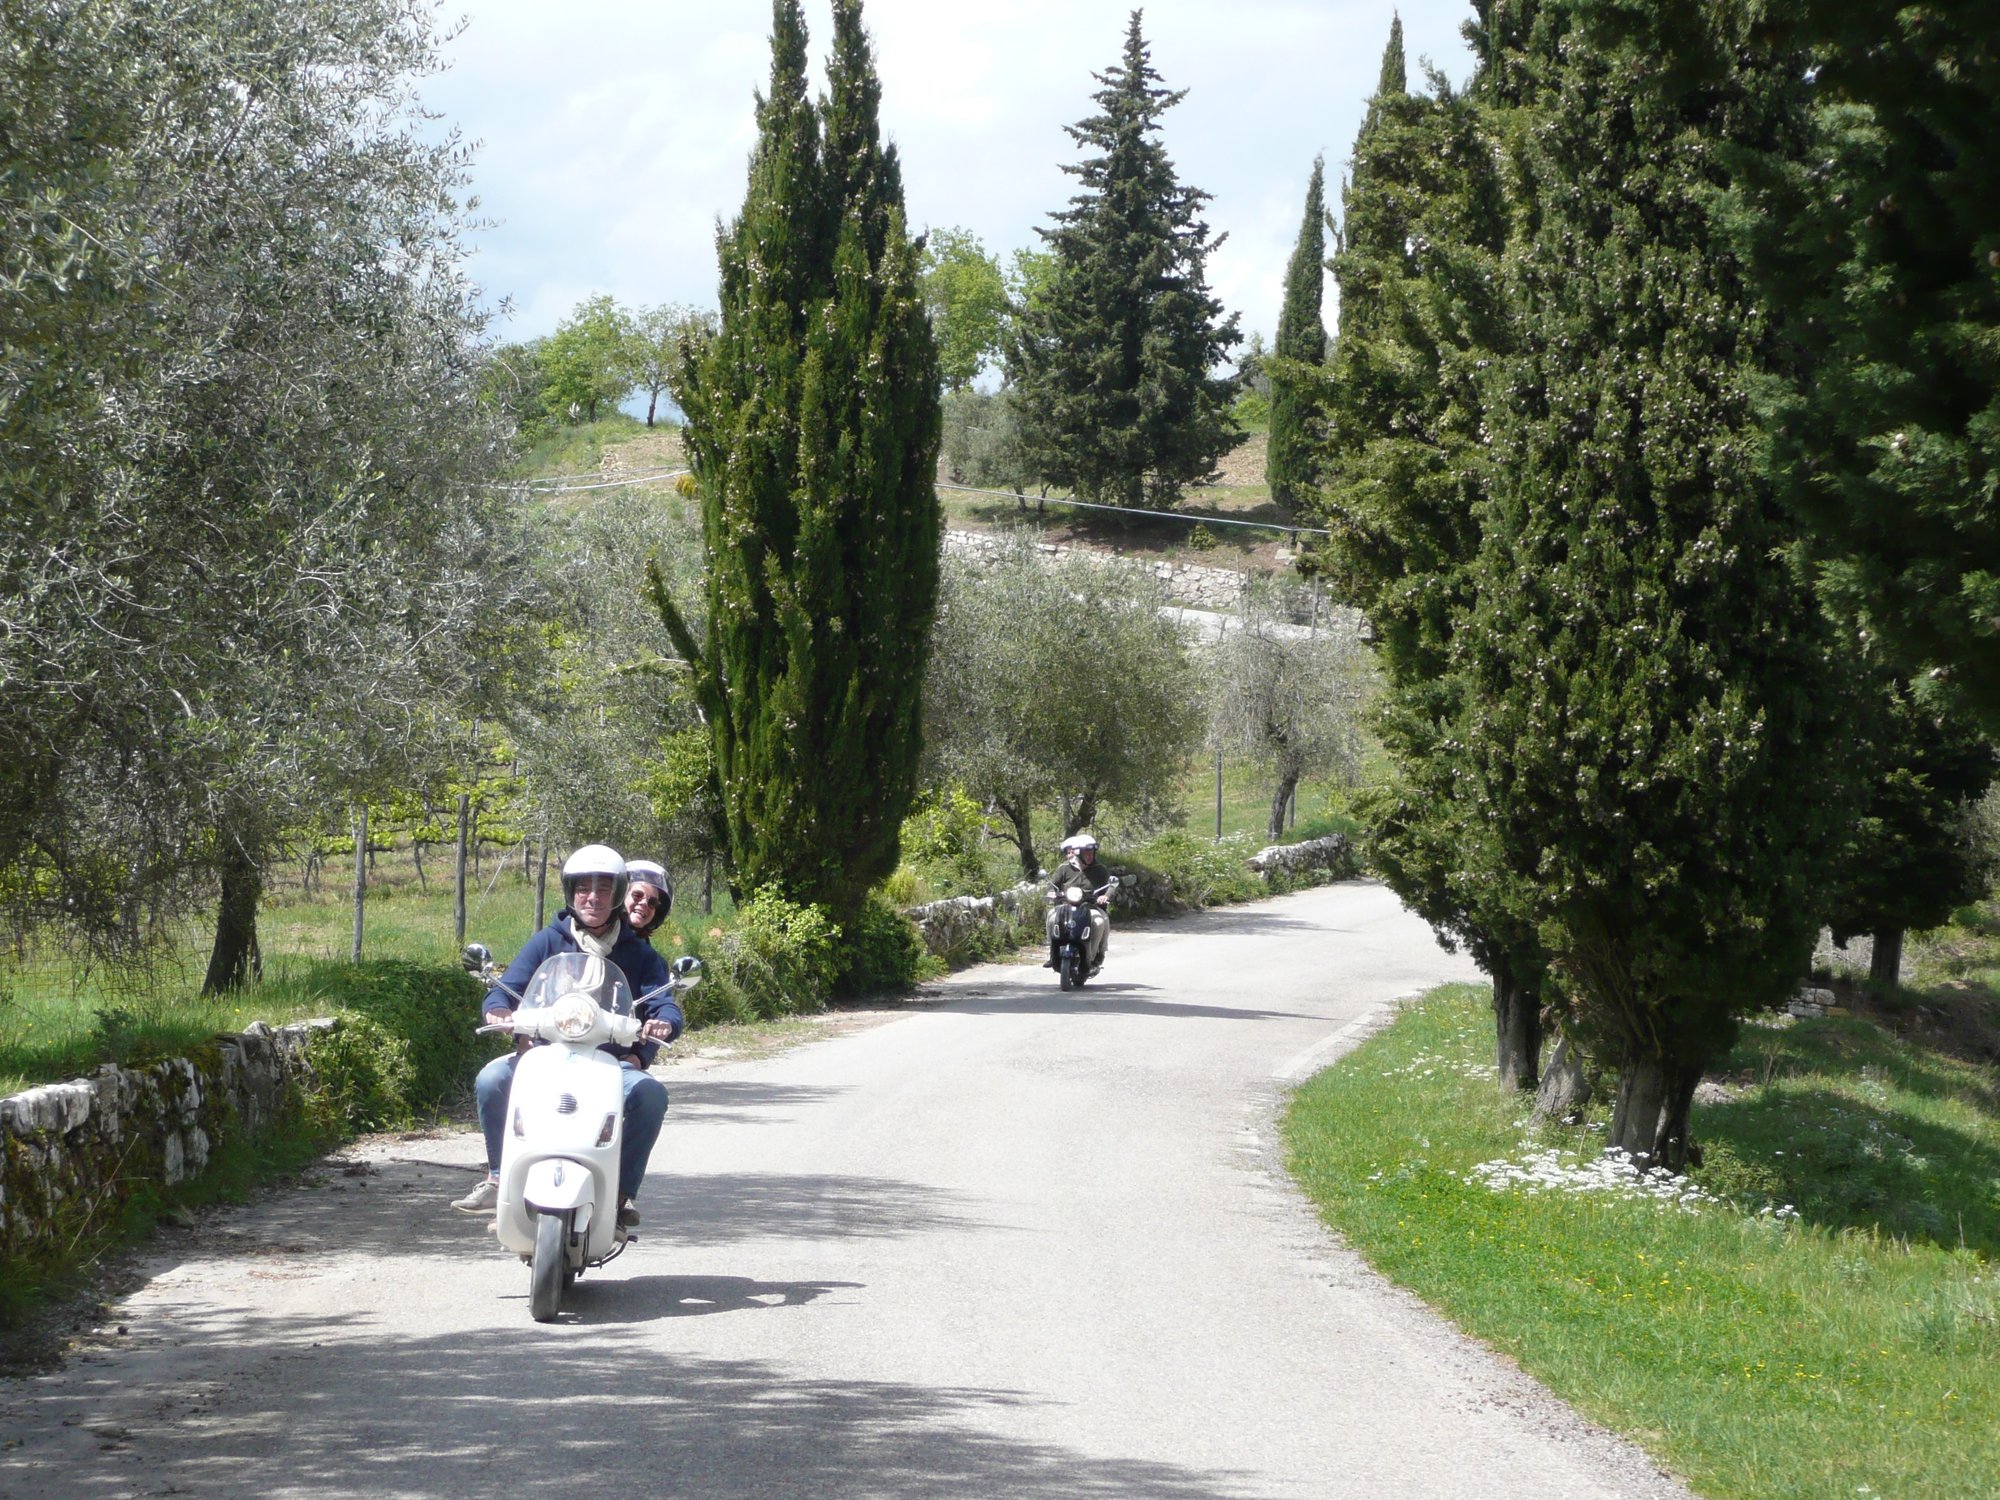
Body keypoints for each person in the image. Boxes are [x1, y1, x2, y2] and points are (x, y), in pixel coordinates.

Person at [452, 844, 681, 1228]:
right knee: (491, 1079)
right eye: (583, 888)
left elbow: (664, 1004)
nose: (593, 897)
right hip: (544, 1055)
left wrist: (664, 1024)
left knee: (650, 1095)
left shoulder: (641, 955)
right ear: (570, 893)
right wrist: (498, 1008)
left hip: (609, 1064)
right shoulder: (547, 941)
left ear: (618, 894)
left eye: (604, 889)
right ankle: (497, 1178)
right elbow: (507, 987)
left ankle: (619, 1194)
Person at [1046, 833, 1113, 973]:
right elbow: (1052, 884)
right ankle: (1052, 952)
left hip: (1090, 907)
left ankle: (1093, 958)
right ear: (1077, 852)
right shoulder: (1064, 868)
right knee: (1051, 917)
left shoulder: (1100, 869)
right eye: (1086, 853)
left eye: (1092, 853)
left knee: (1100, 921)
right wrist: (1051, 892)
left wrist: (1105, 896)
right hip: (1065, 905)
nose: (1090, 856)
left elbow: (1110, 886)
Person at [624, 859, 673, 941]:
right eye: (637, 895)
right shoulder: (602, 933)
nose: (644, 903)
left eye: (652, 902)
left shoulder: (642, 946)